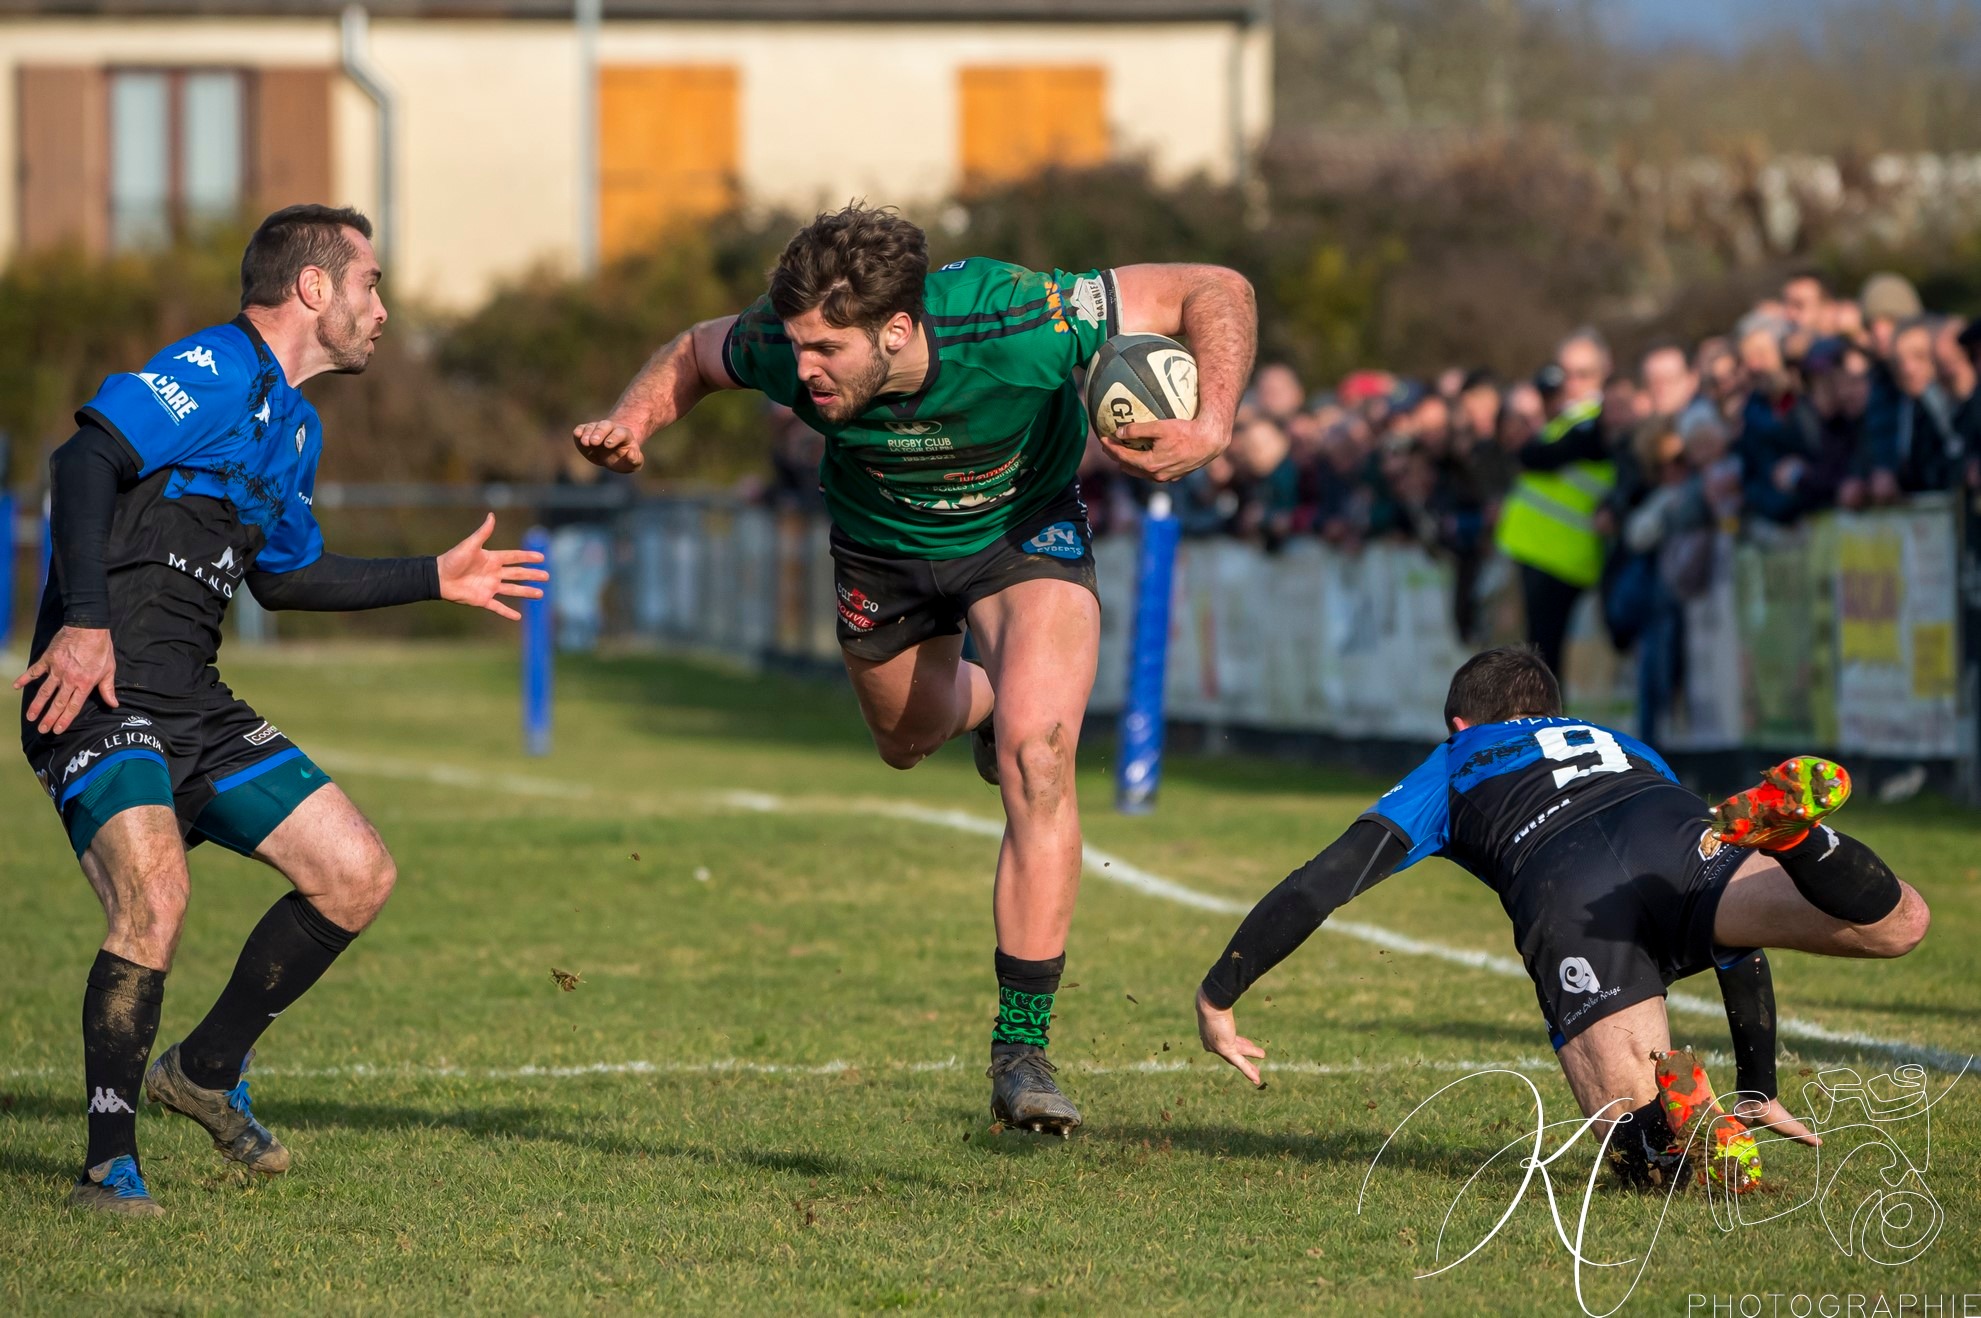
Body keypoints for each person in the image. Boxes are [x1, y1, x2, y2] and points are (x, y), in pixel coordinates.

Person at [572, 204, 1256, 1135]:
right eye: (796, 348)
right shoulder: (784, 340)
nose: (800, 369)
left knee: (1041, 752)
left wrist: (1213, 422)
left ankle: (1021, 1049)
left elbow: (1215, 288)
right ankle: (980, 709)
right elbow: (696, 353)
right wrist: (631, 418)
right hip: (881, 552)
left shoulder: (1021, 316)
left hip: (1024, 534)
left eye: (825, 351)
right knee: (905, 738)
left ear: (897, 329)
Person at [16, 205, 549, 1215]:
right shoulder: (212, 369)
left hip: (193, 702)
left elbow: (288, 581)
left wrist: (432, 575)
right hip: (98, 690)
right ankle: (106, 1164)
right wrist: (82, 624)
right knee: (156, 899)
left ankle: (205, 1069)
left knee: (356, 874)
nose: (383, 310)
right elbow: (82, 460)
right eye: (371, 285)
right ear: (314, 289)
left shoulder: (295, 426)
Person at [1195, 646, 1930, 1191]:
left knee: (1638, 1155)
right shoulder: (1619, 743)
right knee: (1901, 924)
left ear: (1459, 721)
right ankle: (1799, 838)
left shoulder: (1454, 759)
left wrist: (1217, 995)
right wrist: (1758, 1080)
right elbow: (1736, 947)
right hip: (1671, 835)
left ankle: (1676, 1127)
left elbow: (1320, 884)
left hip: (1567, 888)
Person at [1495, 331, 1615, 686]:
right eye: (1566, 373)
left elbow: (1537, 456)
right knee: (1532, 658)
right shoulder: (1567, 417)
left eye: (1584, 373)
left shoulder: (1592, 418)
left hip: (1563, 555)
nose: (1573, 383)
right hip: (1540, 550)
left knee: (1544, 661)